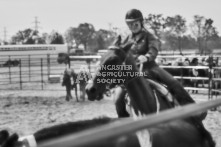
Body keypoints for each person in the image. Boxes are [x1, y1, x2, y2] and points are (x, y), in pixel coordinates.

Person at [113, 8, 207, 120]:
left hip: (150, 67)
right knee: (118, 95)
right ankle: (123, 120)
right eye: (129, 24)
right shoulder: (127, 38)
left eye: (135, 23)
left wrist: (147, 57)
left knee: (173, 83)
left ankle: (193, 110)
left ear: (141, 22)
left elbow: (154, 50)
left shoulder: (149, 36)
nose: (132, 26)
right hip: (132, 70)